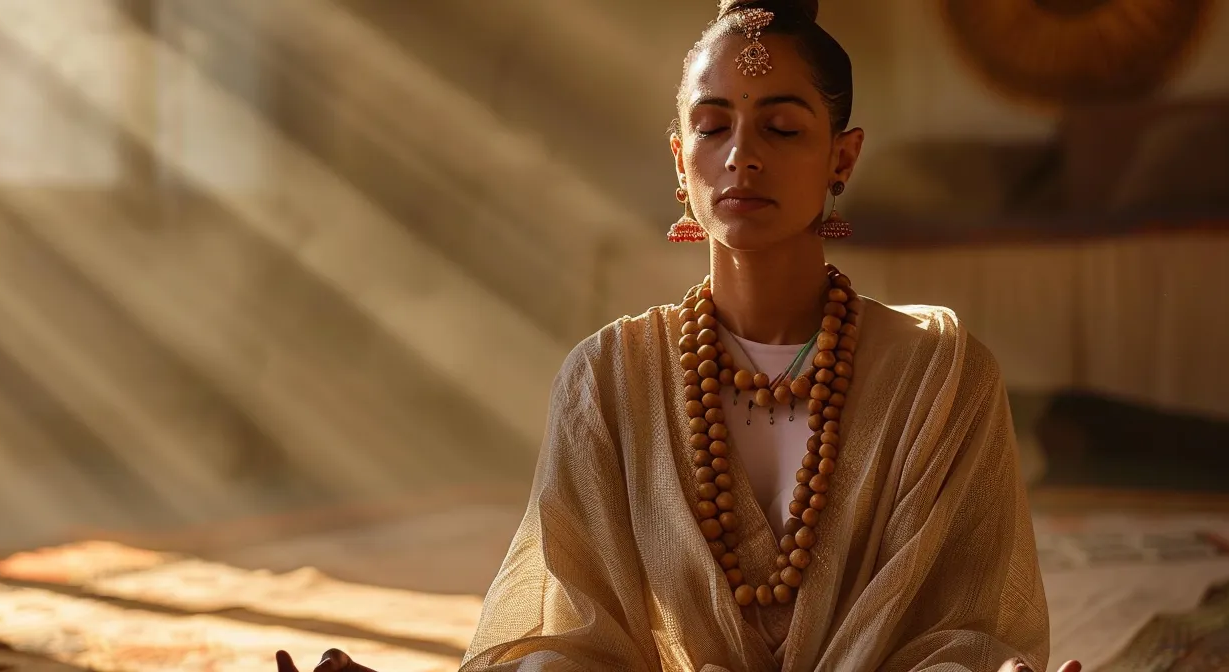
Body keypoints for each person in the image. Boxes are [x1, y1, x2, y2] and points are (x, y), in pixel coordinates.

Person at [281, 0, 1078, 670]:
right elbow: (570, 643)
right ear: (679, 158)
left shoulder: (939, 376)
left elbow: (961, 632)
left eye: (783, 129)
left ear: (844, 155)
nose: (741, 157)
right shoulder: (607, 378)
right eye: (712, 126)